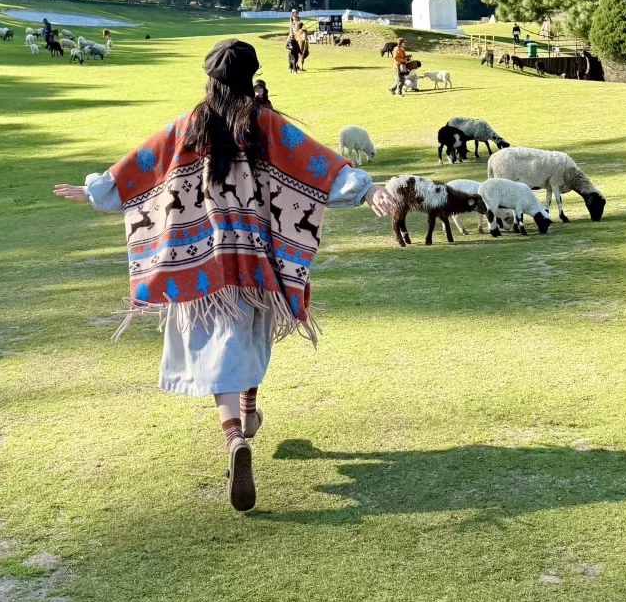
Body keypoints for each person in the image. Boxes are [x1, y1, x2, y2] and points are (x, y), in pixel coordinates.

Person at [52, 38, 394, 512]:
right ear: (250, 78)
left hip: (202, 263)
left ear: (209, 80)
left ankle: (235, 436)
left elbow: (142, 165)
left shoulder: (189, 125)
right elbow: (317, 164)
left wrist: (96, 190)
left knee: (218, 348)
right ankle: (248, 410)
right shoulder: (266, 125)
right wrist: (366, 189)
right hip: (255, 260)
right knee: (249, 335)